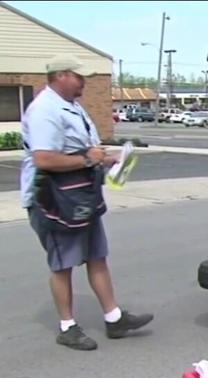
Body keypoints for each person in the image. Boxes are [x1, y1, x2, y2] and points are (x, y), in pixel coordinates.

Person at [21, 55, 153, 351]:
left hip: (80, 195)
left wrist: (108, 159)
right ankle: (67, 327)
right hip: (53, 200)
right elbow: (44, 159)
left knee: (97, 256)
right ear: (62, 76)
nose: (84, 82)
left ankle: (114, 318)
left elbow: (83, 150)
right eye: (80, 76)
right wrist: (86, 159)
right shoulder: (45, 110)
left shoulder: (72, 106)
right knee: (63, 263)